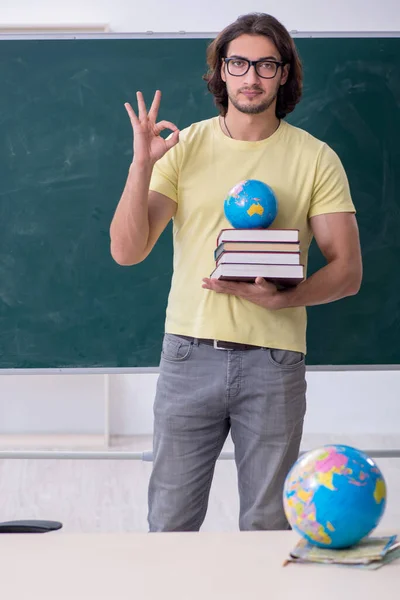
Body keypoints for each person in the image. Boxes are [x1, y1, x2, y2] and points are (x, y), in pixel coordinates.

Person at [109, 12, 362, 532]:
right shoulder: (182, 149)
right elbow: (126, 252)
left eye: (266, 65)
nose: (252, 76)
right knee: (170, 527)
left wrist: (284, 299)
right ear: (221, 72)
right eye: (239, 63)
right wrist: (141, 165)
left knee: (268, 530)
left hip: (274, 363)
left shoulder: (316, 159)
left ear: (284, 74)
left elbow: (348, 271)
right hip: (188, 354)